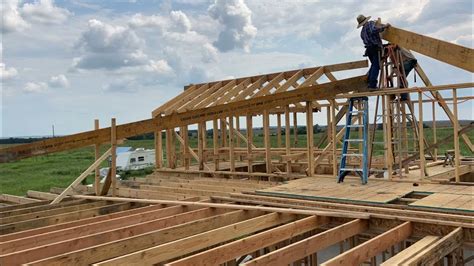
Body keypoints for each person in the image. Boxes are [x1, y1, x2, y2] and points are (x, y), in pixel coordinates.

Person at [357, 15, 390, 90]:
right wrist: (385, 27)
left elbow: (364, 38)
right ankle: (372, 84)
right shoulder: (370, 23)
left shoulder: (362, 31)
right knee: (376, 66)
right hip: (375, 48)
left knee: (374, 65)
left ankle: (369, 82)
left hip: (369, 50)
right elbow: (373, 30)